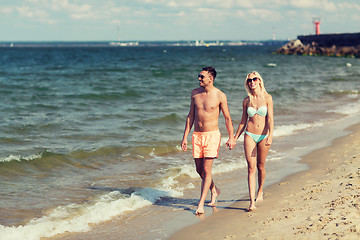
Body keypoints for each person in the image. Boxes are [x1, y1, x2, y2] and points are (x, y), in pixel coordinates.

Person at [181, 67, 236, 215]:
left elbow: (227, 118)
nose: (199, 79)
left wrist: (231, 137)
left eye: (201, 77)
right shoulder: (195, 93)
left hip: (212, 135)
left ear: (210, 79)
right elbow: (190, 116)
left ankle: (200, 204)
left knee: (206, 169)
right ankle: (214, 189)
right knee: (199, 170)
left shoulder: (220, 95)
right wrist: (185, 136)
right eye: (198, 76)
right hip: (197, 135)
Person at [234, 71, 273, 212]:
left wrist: (270, 135)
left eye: (254, 79)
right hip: (249, 134)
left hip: (263, 135)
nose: (252, 82)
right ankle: (252, 202)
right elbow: (242, 122)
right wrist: (234, 138)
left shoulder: (268, 98)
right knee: (251, 168)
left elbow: (270, 119)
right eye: (249, 80)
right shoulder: (246, 101)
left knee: (261, 166)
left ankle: (260, 190)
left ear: (259, 81)